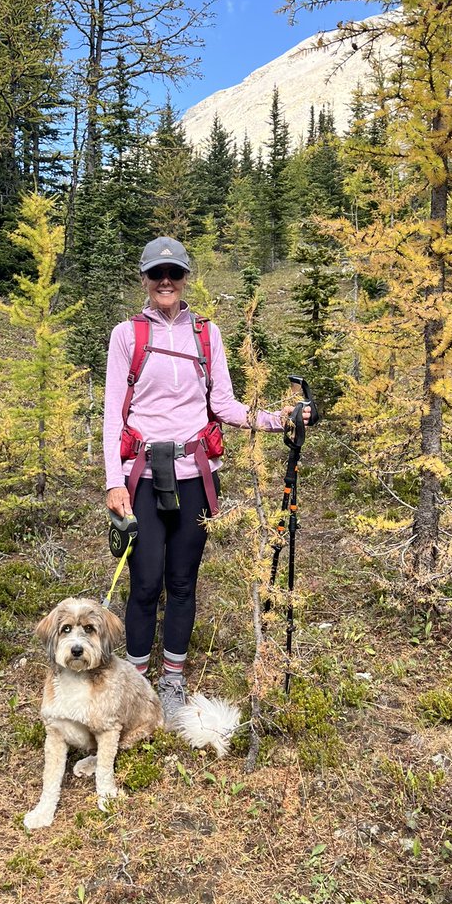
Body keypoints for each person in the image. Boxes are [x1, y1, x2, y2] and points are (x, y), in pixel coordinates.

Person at [103, 236, 309, 719]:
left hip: (196, 474)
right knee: (144, 582)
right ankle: (136, 682)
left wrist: (280, 418)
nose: (166, 281)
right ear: (144, 279)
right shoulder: (126, 335)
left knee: (182, 581)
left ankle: (172, 680)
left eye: (174, 272)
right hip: (142, 477)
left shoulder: (206, 334)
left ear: (185, 277)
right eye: (157, 274)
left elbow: (225, 405)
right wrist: (114, 482)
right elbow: (113, 415)